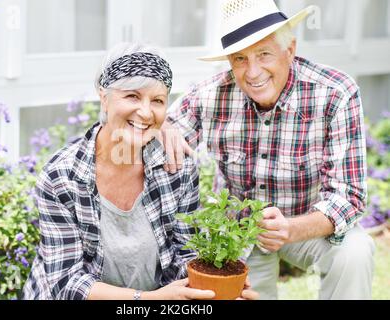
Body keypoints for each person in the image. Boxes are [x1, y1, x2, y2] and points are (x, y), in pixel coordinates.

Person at [161, 0, 375, 300]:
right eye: (239, 58)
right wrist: (163, 125)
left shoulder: (335, 92)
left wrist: (291, 229)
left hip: (307, 224)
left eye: (264, 54)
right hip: (238, 233)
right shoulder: (211, 94)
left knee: (356, 251)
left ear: (290, 50)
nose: (253, 72)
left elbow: (349, 196)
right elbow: (157, 128)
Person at [22, 42, 258, 300]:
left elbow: (184, 254)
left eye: (157, 100)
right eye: (132, 96)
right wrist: (148, 300)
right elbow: (67, 284)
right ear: (104, 97)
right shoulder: (61, 177)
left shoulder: (178, 168)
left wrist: (217, 287)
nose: (145, 112)